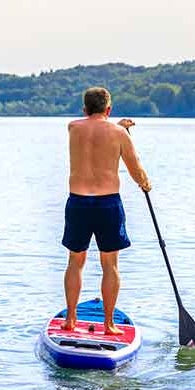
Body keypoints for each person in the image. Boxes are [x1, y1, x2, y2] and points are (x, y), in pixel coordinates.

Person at [61, 87, 152, 335]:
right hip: (107, 203)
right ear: (109, 109)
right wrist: (145, 183)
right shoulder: (119, 133)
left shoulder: (73, 128)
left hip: (78, 202)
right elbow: (135, 169)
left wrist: (117, 126)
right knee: (110, 264)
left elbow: (94, 127)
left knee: (75, 261)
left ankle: (70, 319)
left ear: (84, 109)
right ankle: (109, 324)